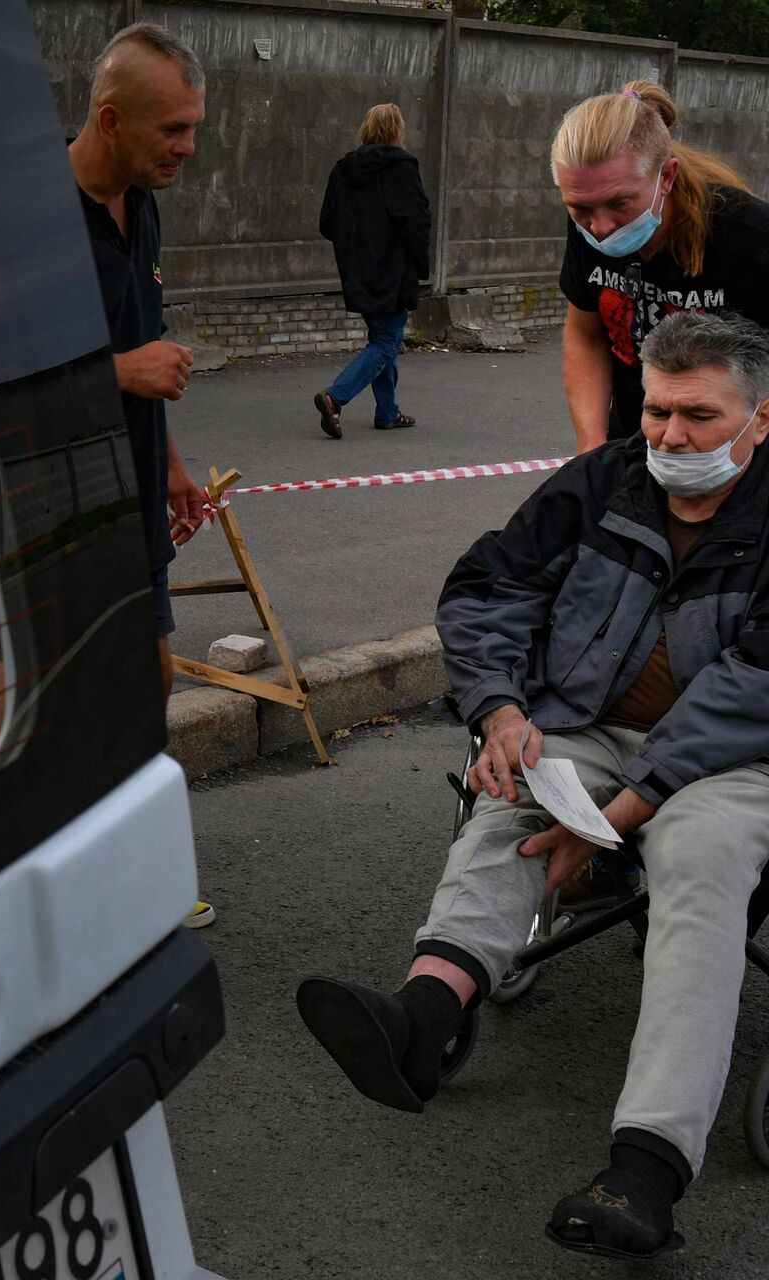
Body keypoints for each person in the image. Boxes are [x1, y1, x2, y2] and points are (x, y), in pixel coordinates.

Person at [297, 309, 769, 1260]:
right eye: (659, 411)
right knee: (514, 788)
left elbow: (748, 689)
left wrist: (621, 813)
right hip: (591, 721)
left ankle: (644, 1171)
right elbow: (486, 589)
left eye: (701, 418)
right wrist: (501, 711)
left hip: (737, 759)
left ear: (762, 418)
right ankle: (420, 1020)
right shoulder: (603, 483)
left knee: (704, 858)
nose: (672, 437)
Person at [0, 22, 214, 927]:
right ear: (110, 121)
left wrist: (176, 467)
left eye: (193, 127)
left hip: (130, 491)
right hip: (40, 496)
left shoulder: (140, 203)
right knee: (28, 709)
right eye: (172, 131)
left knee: (144, 682)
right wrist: (121, 372)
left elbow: (139, 340)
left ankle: (115, 874)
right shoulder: (25, 221)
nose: (188, 148)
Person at [554, 79, 769, 454]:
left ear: (666, 177)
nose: (601, 229)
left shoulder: (749, 235)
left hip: (738, 455)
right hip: (641, 446)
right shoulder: (587, 230)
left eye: (620, 203)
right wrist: (592, 449)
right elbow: (586, 336)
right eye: (580, 208)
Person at [313, 103, 430, 439]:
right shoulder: (402, 168)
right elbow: (415, 221)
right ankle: (335, 397)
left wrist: (355, 246)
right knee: (386, 341)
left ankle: (387, 411)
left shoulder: (343, 170)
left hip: (357, 269)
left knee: (382, 338)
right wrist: (419, 262)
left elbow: (327, 222)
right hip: (393, 269)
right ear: (397, 131)